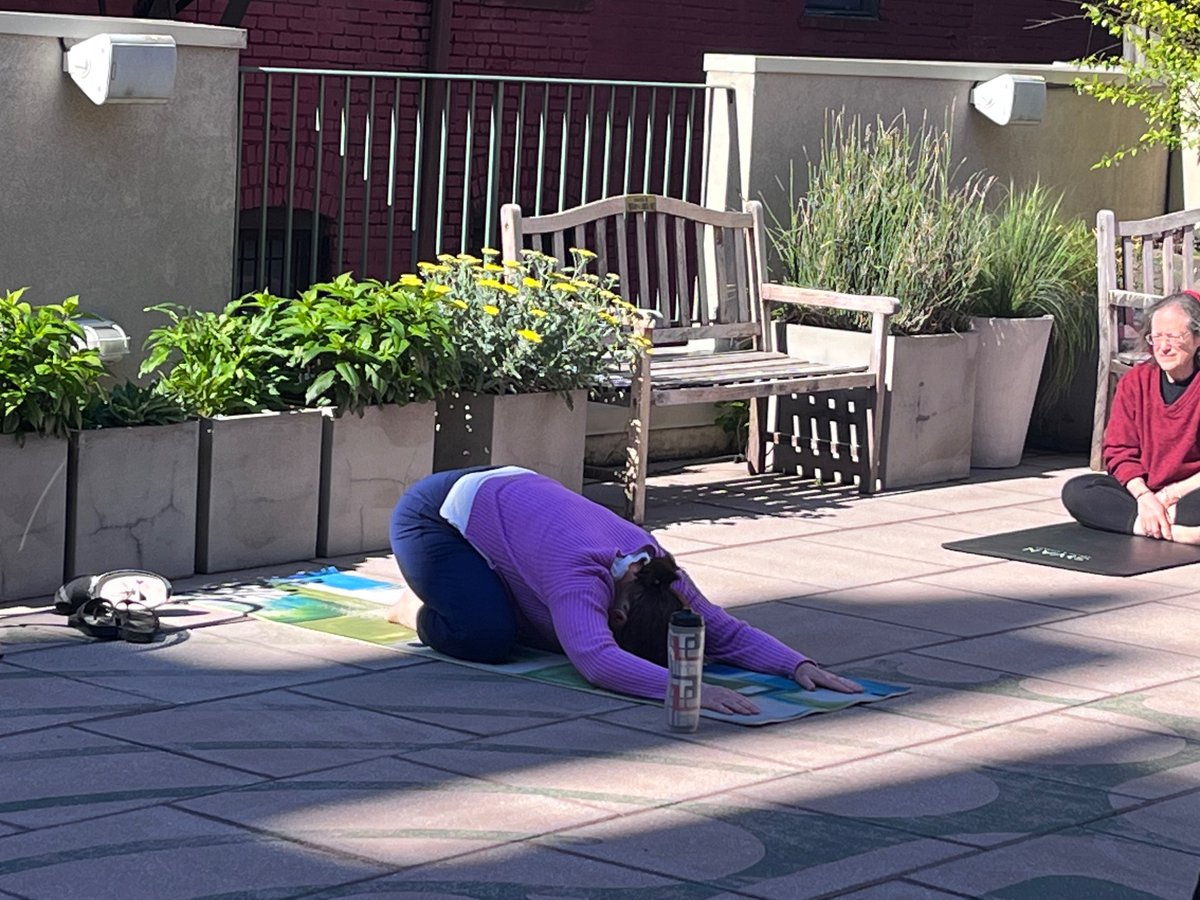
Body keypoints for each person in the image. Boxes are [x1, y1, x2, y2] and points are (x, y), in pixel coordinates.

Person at [387, 465, 863, 716]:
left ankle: (475, 588)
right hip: (434, 517)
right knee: (488, 638)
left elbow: (726, 632)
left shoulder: (661, 573)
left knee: (549, 629)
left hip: (507, 496)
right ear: (617, 619)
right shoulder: (577, 575)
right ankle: (417, 608)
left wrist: (796, 664)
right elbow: (596, 660)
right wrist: (686, 690)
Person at [1062, 290, 1200, 544]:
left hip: (1190, 491)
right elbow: (1118, 450)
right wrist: (1144, 497)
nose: (1164, 346)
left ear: (1197, 337)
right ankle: (1169, 530)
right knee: (1078, 491)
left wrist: (1171, 494)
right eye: (1156, 337)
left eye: (1173, 337)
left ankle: (1158, 523)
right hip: (1145, 493)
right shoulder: (1136, 381)